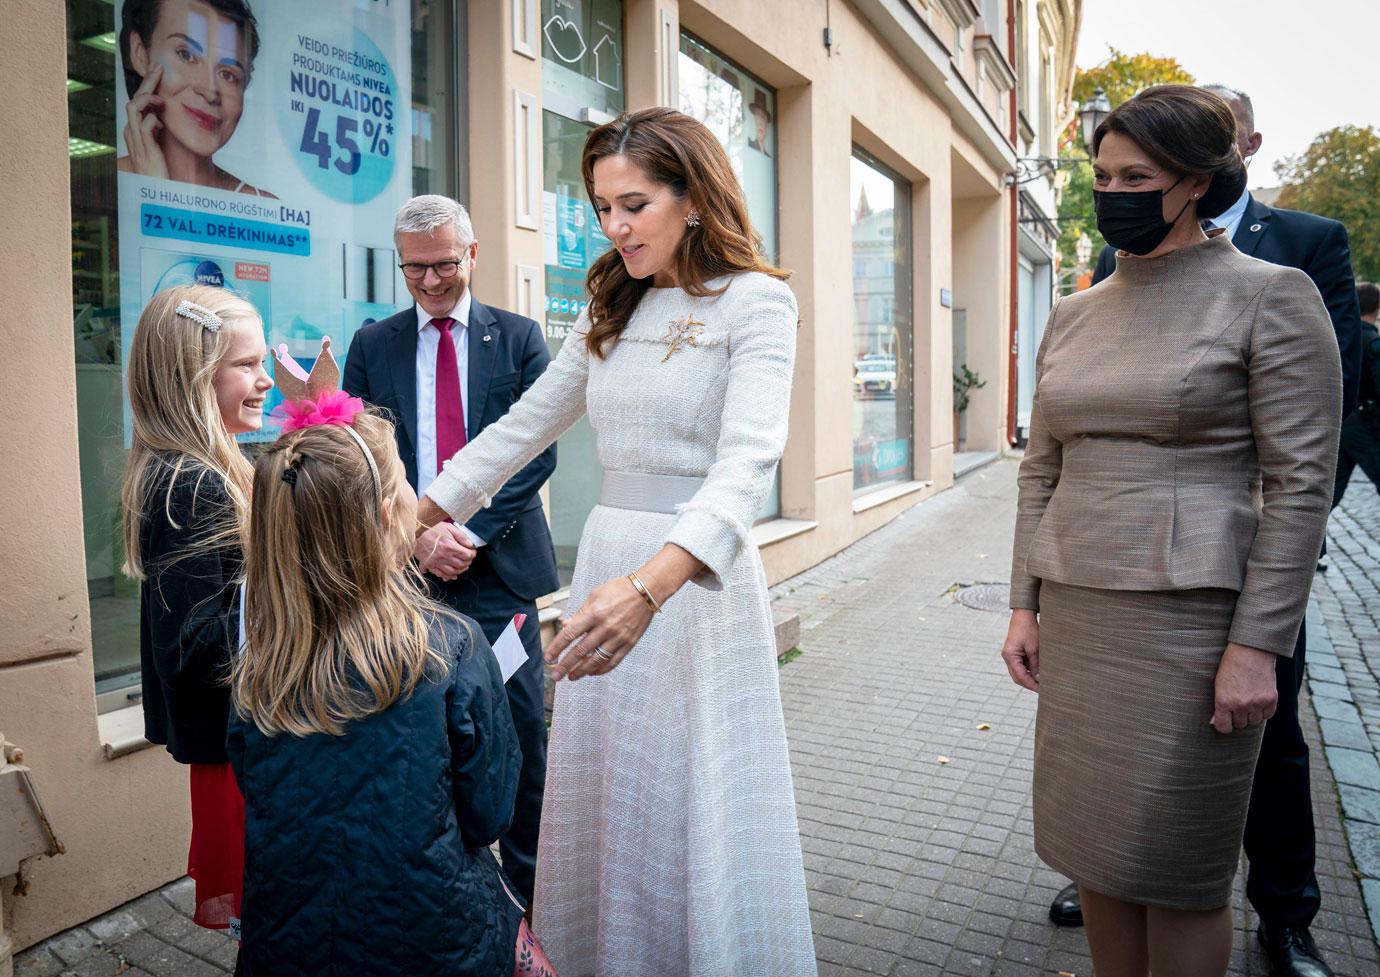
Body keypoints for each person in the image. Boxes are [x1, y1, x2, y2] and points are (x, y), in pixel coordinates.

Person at [414, 106, 817, 976]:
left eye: (633, 203)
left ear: (695, 197)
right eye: (602, 207)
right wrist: (414, 511)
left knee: (689, 798)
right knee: (611, 794)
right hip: (607, 564)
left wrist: (649, 588)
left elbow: (748, 467)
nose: (614, 226)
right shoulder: (612, 305)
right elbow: (519, 428)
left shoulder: (759, 302)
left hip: (690, 583)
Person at [1002, 84, 1340, 977]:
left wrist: (1258, 645)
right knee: (1100, 852)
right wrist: (1023, 605)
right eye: (1103, 174)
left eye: (1136, 176)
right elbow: (1043, 464)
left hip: (1195, 627)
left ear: (1195, 179)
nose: (1113, 192)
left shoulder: (1272, 294)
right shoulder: (1075, 311)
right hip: (1081, 615)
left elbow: (1300, 485)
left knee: (1180, 868)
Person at [227, 380, 545, 976]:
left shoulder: (257, 666)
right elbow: (490, 815)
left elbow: (259, 788)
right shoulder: (452, 647)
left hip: (288, 943)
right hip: (438, 940)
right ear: (386, 516)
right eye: (405, 480)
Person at [342, 194, 557, 906]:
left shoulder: (521, 337)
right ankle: (446, 891)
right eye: (414, 270)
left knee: (519, 730)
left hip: (499, 574)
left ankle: (526, 898)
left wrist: (465, 531)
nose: (430, 282)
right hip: (407, 576)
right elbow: (360, 459)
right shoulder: (374, 346)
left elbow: (535, 452)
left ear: (472, 254)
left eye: (442, 265)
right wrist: (416, 536)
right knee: (416, 732)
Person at [121, 283, 274, 968]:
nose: (266, 377)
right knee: (268, 921)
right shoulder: (192, 485)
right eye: (246, 364)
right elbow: (194, 646)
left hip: (237, 741)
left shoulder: (200, 470)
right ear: (192, 379)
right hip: (236, 750)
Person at [118, 0, 274, 196]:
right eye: (186, 55)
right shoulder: (106, 185)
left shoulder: (263, 207)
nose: (210, 92)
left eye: (228, 74)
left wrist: (157, 191)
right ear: (140, 54)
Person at [1333, 282, 1380, 505]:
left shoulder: (1341, 340)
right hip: (1366, 426)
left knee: (1330, 493)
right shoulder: (1373, 343)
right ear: (1377, 307)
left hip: (1341, 422)